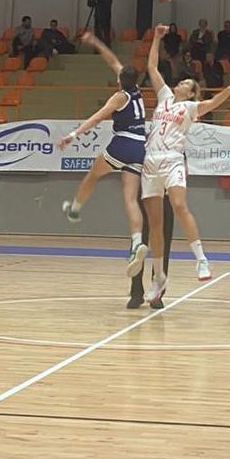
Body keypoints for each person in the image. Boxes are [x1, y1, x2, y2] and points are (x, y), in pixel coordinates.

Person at [141, 23, 230, 304]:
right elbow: (151, 67)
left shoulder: (189, 108)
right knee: (155, 225)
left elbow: (213, 104)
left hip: (172, 160)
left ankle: (201, 259)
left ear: (191, 93)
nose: (182, 83)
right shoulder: (164, 97)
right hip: (150, 162)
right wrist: (156, 37)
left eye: (188, 84)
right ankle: (159, 277)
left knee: (179, 205)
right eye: (182, 81)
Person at [59, 32, 149, 277]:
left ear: (120, 79)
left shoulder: (119, 97)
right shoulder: (137, 90)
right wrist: (97, 42)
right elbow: (113, 61)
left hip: (123, 144)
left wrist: (73, 134)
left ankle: (74, 210)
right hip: (140, 148)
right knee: (130, 200)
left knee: (92, 175)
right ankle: (137, 242)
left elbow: (97, 117)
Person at [127, 195, 174, 310]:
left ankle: (157, 293)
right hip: (143, 196)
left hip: (165, 196)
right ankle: (136, 292)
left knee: (163, 243)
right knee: (139, 245)